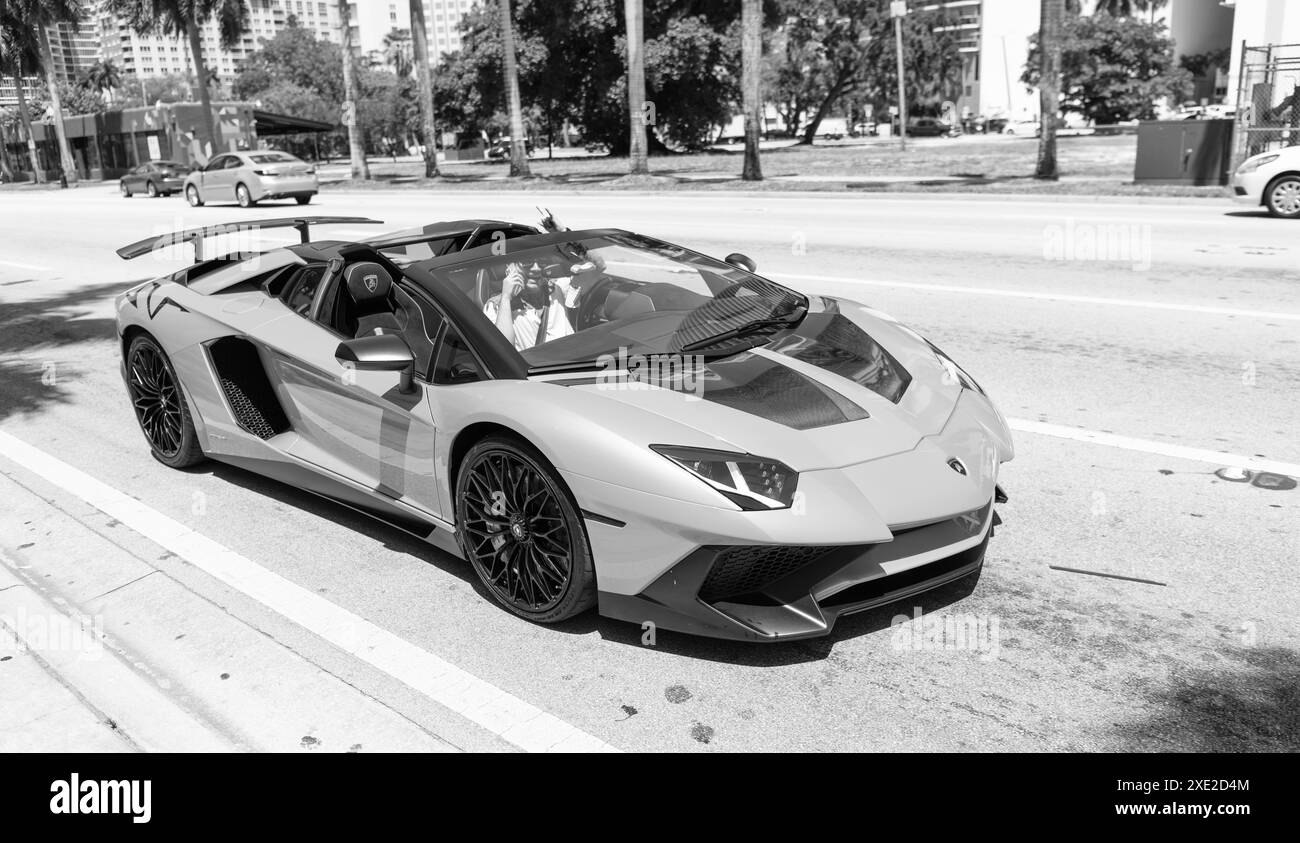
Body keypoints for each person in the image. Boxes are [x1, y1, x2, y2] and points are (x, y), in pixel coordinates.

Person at [483, 258, 581, 350]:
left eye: (542, 262)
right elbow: (503, 350)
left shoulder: (557, 290)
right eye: (527, 262)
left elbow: (588, 267)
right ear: (510, 266)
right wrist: (506, 298)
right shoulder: (496, 306)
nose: (536, 268)